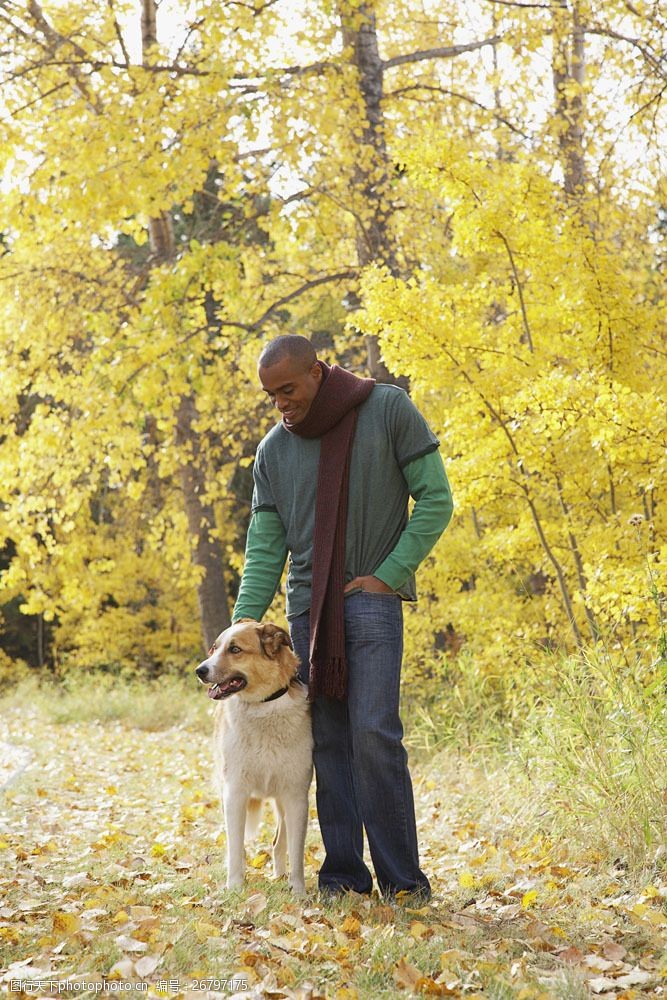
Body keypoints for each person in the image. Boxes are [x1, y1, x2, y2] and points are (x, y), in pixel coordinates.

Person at [232, 334, 453, 900]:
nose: (280, 403)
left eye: (287, 389)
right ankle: (343, 879)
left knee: (374, 733)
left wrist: (389, 572)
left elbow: (435, 499)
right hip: (308, 611)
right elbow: (265, 546)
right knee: (328, 741)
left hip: (372, 601)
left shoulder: (386, 409)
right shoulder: (272, 452)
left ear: (316, 372)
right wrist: (239, 632)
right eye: (270, 395)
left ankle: (404, 883)